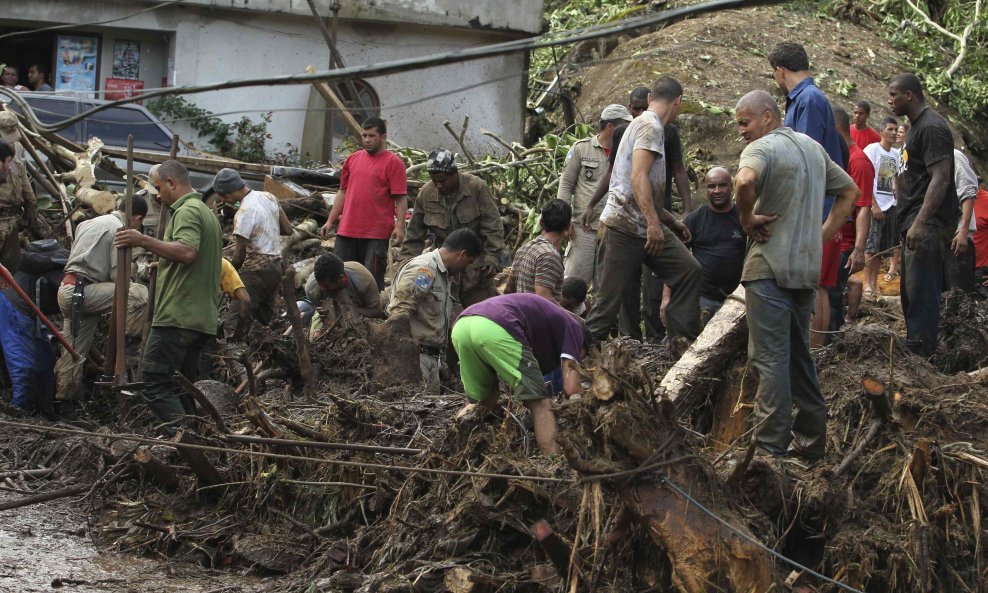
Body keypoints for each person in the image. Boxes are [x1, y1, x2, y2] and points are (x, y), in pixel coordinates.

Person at [733, 90, 859, 460]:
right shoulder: (812, 148)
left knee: (770, 358)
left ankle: (770, 450)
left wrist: (746, 219)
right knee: (799, 356)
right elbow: (849, 192)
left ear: (768, 117)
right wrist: (818, 237)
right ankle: (811, 440)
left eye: (745, 122)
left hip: (768, 269)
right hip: (805, 270)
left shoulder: (763, 148)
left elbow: (743, 182)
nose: (742, 131)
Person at [585, 77, 703, 346]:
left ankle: (681, 344)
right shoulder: (650, 126)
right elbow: (638, 177)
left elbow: (643, 187)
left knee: (688, 270)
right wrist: (653, 224)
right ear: (678, 102)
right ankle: (572, 368)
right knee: (606, 308)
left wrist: (670, 221)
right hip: (623, 228)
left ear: (650, 98)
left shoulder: (647, 125)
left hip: (643, 225)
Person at [114, 161, 223, 431]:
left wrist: (143, 241)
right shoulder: (207, 213)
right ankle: (200, 441)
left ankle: (187, 441)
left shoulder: (186, 211)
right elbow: (195, 257)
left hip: (178, 317)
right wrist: (163, 263)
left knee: (152, 382)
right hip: (201, 319)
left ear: (172, 183)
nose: (157, 196)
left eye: (159, 188)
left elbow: (187, 252)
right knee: (181, 386)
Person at [768, 41, 845, 348]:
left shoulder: (809, 100)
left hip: (816, 207)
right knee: (818, 285)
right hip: (816, 204)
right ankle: (813, 353)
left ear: (780, 71)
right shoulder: (805, 99)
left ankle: (813, 354)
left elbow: (805, 156)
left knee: (815, 286)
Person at [452, 293, 588, 455]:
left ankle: (451, 446)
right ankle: (552, 462)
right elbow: (571, 389)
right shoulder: (575, 328)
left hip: (463, 325)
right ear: (583, 345)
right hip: (495, 325)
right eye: (582, 355)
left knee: (483, 400)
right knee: (541, 404)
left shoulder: (549, 323)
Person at [53, 197, 150, 406]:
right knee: (138, 294)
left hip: (69, 290)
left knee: (73, 353)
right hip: (86, 291)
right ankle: (130, 351)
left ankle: (65, 406)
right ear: (137, 218)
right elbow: (119, 277)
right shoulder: (120, 231)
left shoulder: (89, 223)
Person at [888, 73, 959, 356]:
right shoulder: (915, 128)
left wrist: (919, 223)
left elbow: (940, 178)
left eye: (893, 94)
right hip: (914, 224)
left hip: (926, 225)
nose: (889, 101)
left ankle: (923, 358)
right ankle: (918, 352)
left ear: (910, 95)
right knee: (910, 296)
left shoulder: (931, 127)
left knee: (922, 296)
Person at [399, 148, 503, 307]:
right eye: (435, 181)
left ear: (455, 174)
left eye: (443, 180)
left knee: (482, 312)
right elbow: (413, 236)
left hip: (475, 269)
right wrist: (405, 266)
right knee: (442, 316)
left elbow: (493, 226)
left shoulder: (476, 188)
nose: (439, 185)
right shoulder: (426, 194)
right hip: (443, 270)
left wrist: (492, 257)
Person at [386, 228, 482, 392]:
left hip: (431, 358)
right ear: (462, 254)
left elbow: (436, 321)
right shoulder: (424, 270)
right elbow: (398, 313)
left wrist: (440, 359)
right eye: (469, 261)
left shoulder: (444, 275)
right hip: (415, 359)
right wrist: (403, 359)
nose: (467, 267)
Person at [320, 117, 408, 290]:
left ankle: (371, 315)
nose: (367, 140)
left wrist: (399, 226)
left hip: (376, 233)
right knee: (340, 275)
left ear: (383, 137)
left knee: (371, 280)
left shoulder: (394, 163)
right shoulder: (352, 160)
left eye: (372, 136)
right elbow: (342, 192)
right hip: (347, 229)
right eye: (364, 135)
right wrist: (330, 221)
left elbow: (401, 198)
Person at [211, 168, 292, 339]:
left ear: (233, 189)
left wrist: (227, 274)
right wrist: (266, 232)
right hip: (276, 268)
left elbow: (240, 255)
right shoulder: (268, 197)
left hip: (256, 272)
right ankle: (260, 358)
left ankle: (230, 361)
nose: (224, 200)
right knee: (262, 323)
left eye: (224, 196)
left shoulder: (244, 212)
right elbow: (287, 229)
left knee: (232, 324)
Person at [557, 105, 632, 282]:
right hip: (584, 229)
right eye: (625, 125)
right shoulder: (581, 149)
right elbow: (566, 184)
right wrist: (564, 221)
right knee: (574, 283)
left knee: (604, 286)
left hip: (612, 230)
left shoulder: (627, 153)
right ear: (611, 126)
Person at [0, 240, 68, 415]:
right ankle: (18, 410)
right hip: (13, 307)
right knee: (24, 363)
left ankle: (44, 409)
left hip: (29, 311)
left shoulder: (58, 273)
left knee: (46, 359)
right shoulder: (63, 275)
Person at [671, 166, 746, 322]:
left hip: (737, 300)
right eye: (712, 186)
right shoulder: (694, 220)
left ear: (731, 187)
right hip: (702, 298)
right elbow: (674, 260)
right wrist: (667, 299)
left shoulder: (744, 218)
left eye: (722, 185)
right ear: (706, 189)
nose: (717, 190)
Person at [829, 108, 874, 329]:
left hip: (844, 242)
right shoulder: (836, 157)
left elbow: (864, 207)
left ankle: (831, 340)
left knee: (832, 295)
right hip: (831, 236)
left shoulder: (859, 162)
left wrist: (858, 249)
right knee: (828, 293)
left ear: (835, 128)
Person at [862, 117, 902, 294]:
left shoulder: (896, 155)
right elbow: (865, 178)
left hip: (891, 205)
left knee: (882, 249)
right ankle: (867, 285)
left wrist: (897, 200)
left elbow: (896, 178)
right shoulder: (872, 150)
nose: (894, 133)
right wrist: (873, 204)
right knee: (871, 246)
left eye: (896, 130)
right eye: (890, 129)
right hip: (876, 205)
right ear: (881, 131)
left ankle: (874, 284)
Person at [505, 199, 572, 302]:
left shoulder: (524, 249)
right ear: (568, 226)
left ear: (541, 222)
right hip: (535, 317)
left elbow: (509, 291)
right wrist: (568, 317)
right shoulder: (550, 256)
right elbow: (543, 301)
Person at [305, 253, 382, 339]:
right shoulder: (312, 288)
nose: (322, 289)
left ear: (342, 278)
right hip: (327, 313)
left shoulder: (363, 280)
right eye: (320, 285)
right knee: (314, 338)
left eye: (326, 286)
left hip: (358, 311)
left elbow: (376, 311)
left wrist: (350, 310)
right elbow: (319, 310)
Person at [0, 118, 43, 272]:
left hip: (12, 218)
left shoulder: (17, 148)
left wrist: (31, 204)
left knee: (11, 265)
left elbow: (23, 178)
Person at [944, 149, 979, 292]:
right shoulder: (928, 156)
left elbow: (968, 192)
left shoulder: (954, 156)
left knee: (959, 295)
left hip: (957, 235)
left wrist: (963, 231)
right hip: (938, 236)